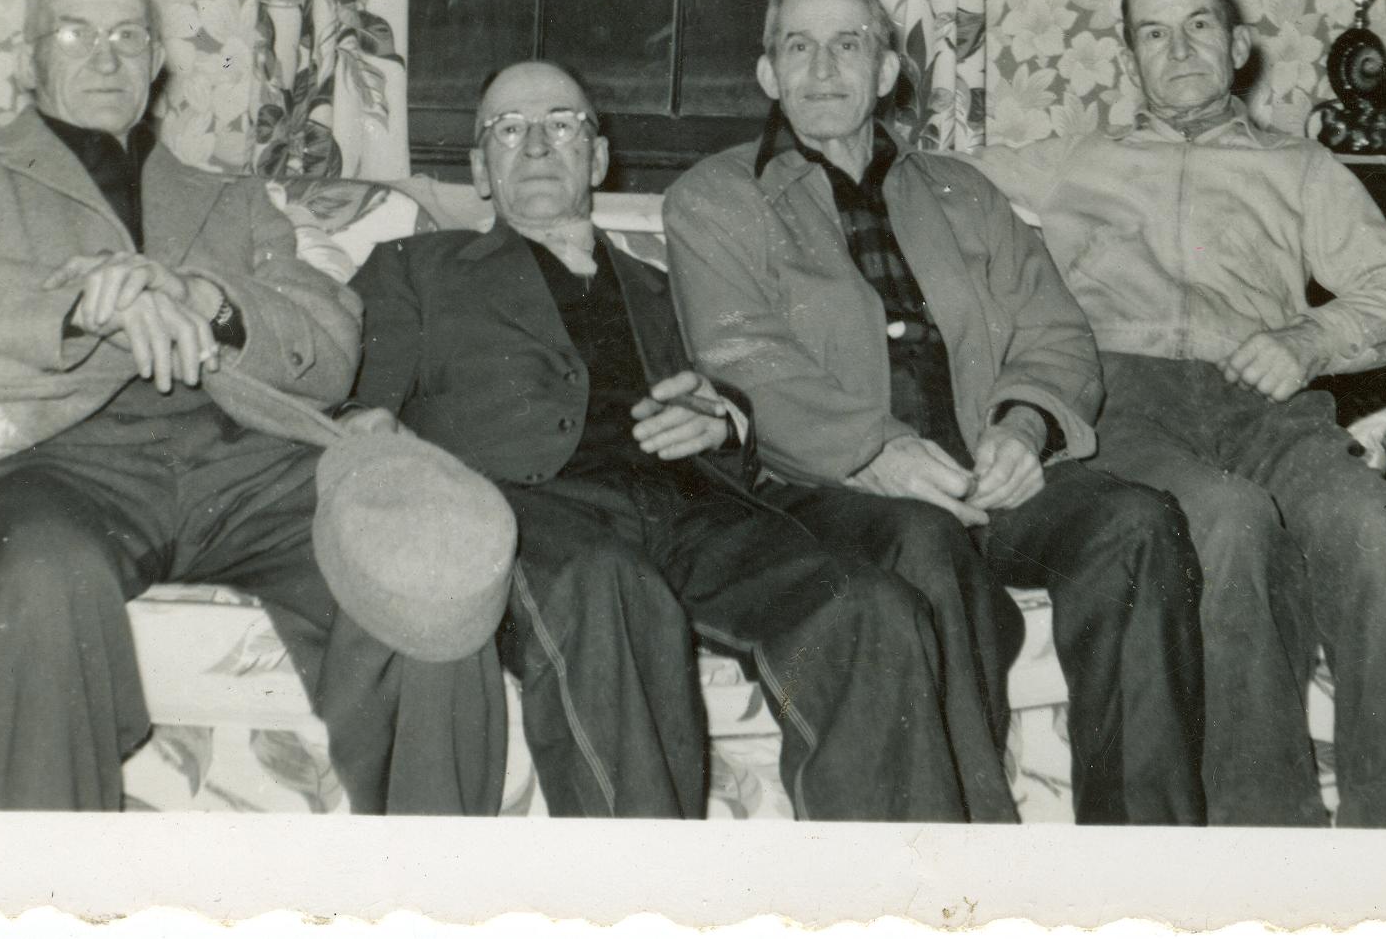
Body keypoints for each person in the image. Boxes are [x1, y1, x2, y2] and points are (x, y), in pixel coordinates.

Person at [348, 59, 973, 822]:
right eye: (508, 130)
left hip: (690, 510)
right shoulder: (413, 270)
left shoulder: (668, 284)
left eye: (562, 125)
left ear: (598, 158)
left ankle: (890, 885)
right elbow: (359, 413)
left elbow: (750, 388)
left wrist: (721, 419)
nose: (536, 144)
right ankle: (647, 886)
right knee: (609, 583)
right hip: (532, 513)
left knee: (865, 605)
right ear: (480, 169)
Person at [665, 0, 1207, 826]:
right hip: (825, 489)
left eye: (848, 45)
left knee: (1136, 522)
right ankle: (972, 857)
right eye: (798, 47)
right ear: (768, 73)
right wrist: (875, 448)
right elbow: (744, 356)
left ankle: (1140, 856)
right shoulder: (714, 199)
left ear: (886, 70)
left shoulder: (962, 192)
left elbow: (1056, 331)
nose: (822, 69)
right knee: (922, 544)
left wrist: (1024, 427)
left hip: (983, 472)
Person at [0, 0, 492, 814]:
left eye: (128, 35)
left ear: (155, 62)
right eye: (74, 33)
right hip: (62, 464)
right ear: (29, 59)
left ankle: (428, 866)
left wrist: (208, 299)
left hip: (245, 458)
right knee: (37, 576)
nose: (106, 56)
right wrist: (87, 302)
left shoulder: (231, 196)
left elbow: (330, 344)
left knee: (418, 556)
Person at [971, 0, 1386, 828]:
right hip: (1122, 401)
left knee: (1371, 520)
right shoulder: (1073, 159)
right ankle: (1264, 834)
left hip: (1264, 401)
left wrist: (1309, 341)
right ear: (1128, 58)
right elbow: (921, 177)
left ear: (1238, 44)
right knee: (1225, 518)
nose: (1177, 49)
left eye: (1198, 26)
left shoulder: (1298, 165)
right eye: (1153, 33)